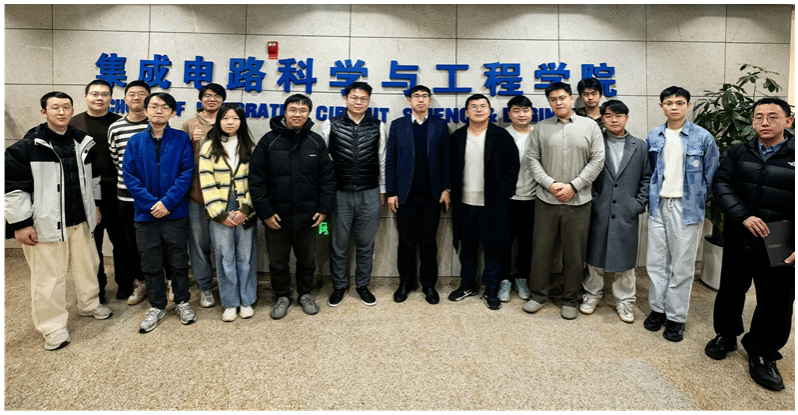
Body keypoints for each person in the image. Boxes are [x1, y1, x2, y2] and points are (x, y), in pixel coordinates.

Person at [5, 91, 113, 350]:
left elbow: (94, 178)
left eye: (66, 107)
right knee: (49, 276)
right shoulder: (26, 148)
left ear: (72, 110)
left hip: (81, 219)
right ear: (44, 112)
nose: (61, 112)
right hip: (45, 223)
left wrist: (95, 206)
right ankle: (52, 326)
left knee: (88, 265)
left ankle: (89, 304)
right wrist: (20, 224)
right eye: (55, 108)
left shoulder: (83, 142)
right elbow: (12, 189)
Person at [704, 97, 795, 391]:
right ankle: (726, 335)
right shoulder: (739, 151)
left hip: (782, 242)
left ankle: (763, 352)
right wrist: (743, 216)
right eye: (758, 117)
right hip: (740, 236)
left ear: (788, 121)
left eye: (772, 117)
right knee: (731, 290)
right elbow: (721, 183)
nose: (764, 122)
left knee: (776, 301)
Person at [643, 86, 719, 342]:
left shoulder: (702, 137)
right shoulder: (654, 136)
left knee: (682, 266)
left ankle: (676, 317)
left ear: (688, 105)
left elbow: (712, 175)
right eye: (668, 103)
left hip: (687, 209)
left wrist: (697, 200)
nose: (674, 107)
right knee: (656, 262)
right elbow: (650, 172)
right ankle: (658, 310)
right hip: (658, 206)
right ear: (661, 106)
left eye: (679, 102)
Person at [523, 82, 604, 320]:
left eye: (562, 97)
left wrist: (574, 186)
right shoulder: (541, 128)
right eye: (553, 99)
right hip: (546, 200)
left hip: (579, 201)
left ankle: (569, 299)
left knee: (575, 255)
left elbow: (597, 160)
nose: (558, 102)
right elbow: (532, 159)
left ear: (570, 98)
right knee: (541, 251)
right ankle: (538, 295)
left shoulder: (590, 126)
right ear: (549, 102)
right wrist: (550, 184)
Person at [250, 94, 336, 319]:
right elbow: (256, 180)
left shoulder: (316, 141)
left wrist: (324, 209)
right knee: (278, 261)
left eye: (302, 110)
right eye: (293, 110)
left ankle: (305, 294)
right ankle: (282, 296)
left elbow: (327, 179)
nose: (298, 114)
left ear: (308, 113)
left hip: (309, 217)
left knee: (307, 260)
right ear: (285, 112)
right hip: (276, 217)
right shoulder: (269, 141)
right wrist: (266, 212)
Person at [123, 92, 197, 333]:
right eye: (153, 106)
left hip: (175, 212)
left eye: (165, 107)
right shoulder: (135, 141)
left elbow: (186, 173)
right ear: (145, 111)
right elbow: (129, 176)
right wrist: (150, 204)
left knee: (179, 260)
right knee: (151, 262)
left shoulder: (181, 138)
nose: (158, 110)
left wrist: (167, 202)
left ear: (172, 113)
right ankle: (157, 306)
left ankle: (182, 301)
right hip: (145, 215)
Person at [581, 100, 652, 323]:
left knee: (625, 258)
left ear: (626, 118)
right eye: (609, 116)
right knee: (594, 256)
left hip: (626, 210)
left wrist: (638, 203)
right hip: (599, 208)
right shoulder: (595, 143)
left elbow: (647, 177)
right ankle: (592, 293)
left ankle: (625, 300)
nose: (614, 120)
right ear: (602, 119)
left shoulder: (640, 146)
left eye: (619, 115)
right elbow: (585, 172)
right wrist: (593, 199)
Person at [450, 94, 519, 310]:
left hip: (493, 203)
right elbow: (449, 167)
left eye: (483, 106)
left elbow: (513, 166)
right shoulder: (457, 136)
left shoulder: (501, 136)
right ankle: (467, 284)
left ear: (490, 111)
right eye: (474, 106)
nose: (479, 110)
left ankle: (491, 288)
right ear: (466, 112)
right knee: (467, 248)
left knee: (493, 248)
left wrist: (505, 192)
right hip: (465, 204)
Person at [321, 82, 387, 307]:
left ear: (368, 101)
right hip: (339, 194)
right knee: (337, 244)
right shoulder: (331, 124)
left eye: (363, 99)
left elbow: (382, 159)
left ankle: (362, 285)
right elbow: (323, 162)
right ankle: (339, 286)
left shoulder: (378, 125)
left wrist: (383, 190)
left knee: (366, 244)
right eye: (354, 98)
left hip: (370, 193)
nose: (358, 102)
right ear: (346, 98)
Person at [386, 85, 451, 305]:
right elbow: (391, 159)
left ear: (430, 101)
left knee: (428, 242)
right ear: (409, 100)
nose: (421, 100)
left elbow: (447, 159)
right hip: (405, 195)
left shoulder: (440, 125)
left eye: (424, 96)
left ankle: (429, 285)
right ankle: (405, 283)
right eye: (416, 96)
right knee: (405, 243)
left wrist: (446, 189)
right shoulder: (398, 125)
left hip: (432, 195)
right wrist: (392, 191)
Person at [198, 103, 259, 322]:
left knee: (245, 256)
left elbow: (256, 182)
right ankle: (231, 302)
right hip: (219, 208)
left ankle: (247, 300)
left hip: (245, 208)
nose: (230, 122)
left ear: (241, 121)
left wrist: (246, 209)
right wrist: (220, 214)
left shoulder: (250, 147)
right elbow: (206, 182)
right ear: (218, 121)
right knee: (225, 257)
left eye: (235, 118)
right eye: (225, 118)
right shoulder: (208, 147)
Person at [69, 80, 122, 304]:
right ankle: (97, 287)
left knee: (121, 241)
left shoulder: (119, 122)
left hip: (116, 190)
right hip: (86, 192)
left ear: (111, 98)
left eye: (104, 94)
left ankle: (124, 283)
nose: (99, 98)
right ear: (86, 97)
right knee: (92, 243)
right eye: (94, 94)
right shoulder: (73, 123)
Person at [181, 83, 227, 309]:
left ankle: (228, 287)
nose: (212, 99)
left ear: (223, 100)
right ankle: (205, 287)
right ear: (200, 99)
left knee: (225, 246)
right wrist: (193, 143)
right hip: (197, 196)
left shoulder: (230, 121)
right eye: (207, 95)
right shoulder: (190, 124)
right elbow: (179, 160)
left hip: (225, 197)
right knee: (199, 246)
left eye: (217, 96)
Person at [108, 80, 152, 305]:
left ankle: (159, 281)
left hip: (154, 197)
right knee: (132, 243)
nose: (136, 97)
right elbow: (117, 161)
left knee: (156, 241)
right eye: (131, 94)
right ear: (124, 99)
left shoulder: (156, 125)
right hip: (126, 196)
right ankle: (141, 281)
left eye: (141, 94)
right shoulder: (115, 127)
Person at [499, 95, 537, 302]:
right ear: (509, 114)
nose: (521, 114)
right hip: (507, 199)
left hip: (533, 198)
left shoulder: (539, 134)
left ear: (532, 112)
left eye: (525, 110)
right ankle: (504, 280)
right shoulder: (502, 135)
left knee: (527, 243)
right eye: (516, 110)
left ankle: (522, 278)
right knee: (504, 242)